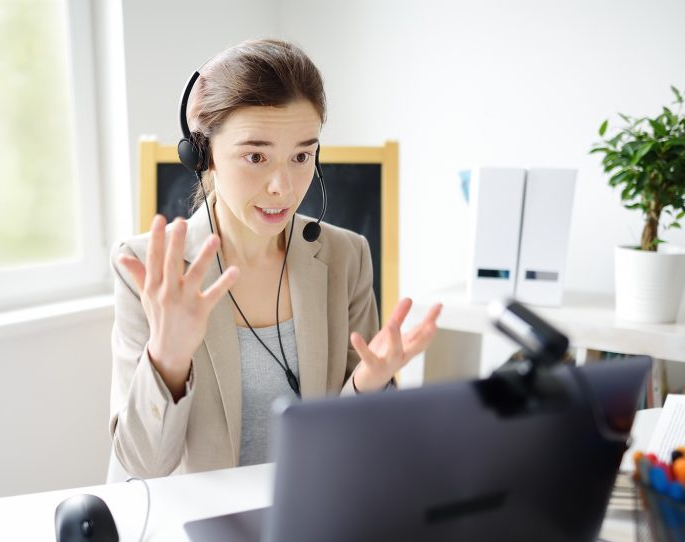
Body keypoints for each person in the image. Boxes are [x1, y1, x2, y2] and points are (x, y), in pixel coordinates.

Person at [109, 39, 441, 479]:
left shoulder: (346, 257)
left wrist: (366, 386)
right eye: (255, 156)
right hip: (197, 527)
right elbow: (141, 468)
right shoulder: (147, 271)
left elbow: (357, 451)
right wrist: (167, 360)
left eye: (302, 155)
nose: (282, 187)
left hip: (310, 513)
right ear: (203, 155)